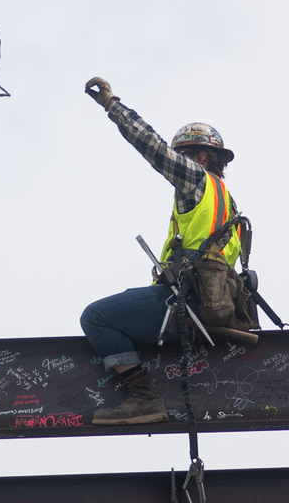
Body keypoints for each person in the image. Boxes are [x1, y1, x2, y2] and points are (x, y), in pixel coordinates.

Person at [80, 76, 247, 425]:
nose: (178, 161)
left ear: (201, 156)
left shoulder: (198, 181)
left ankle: (143, 399)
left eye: (185, 155)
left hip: (186, 300)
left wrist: (113, 106)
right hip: (214, 300)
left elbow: (152, 147)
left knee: (97, 317)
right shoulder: (227, 202)